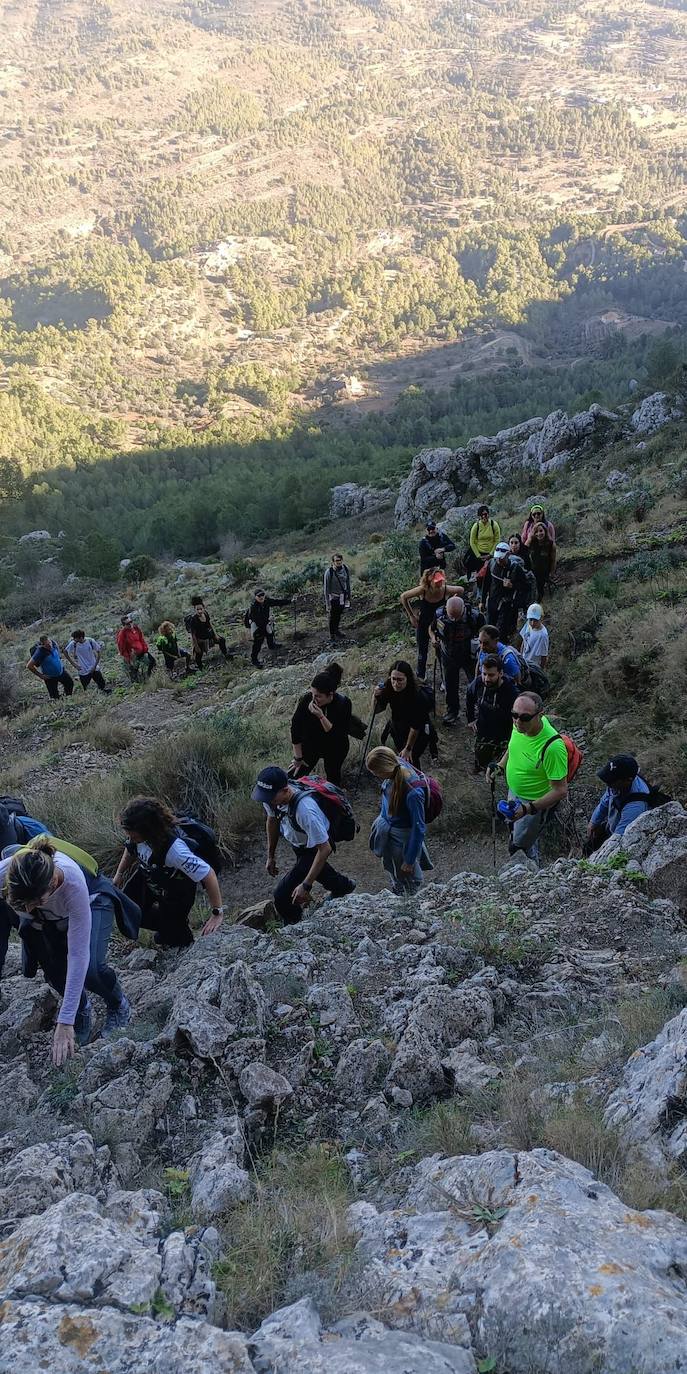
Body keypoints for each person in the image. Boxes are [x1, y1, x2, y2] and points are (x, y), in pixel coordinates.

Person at [0, 837, 132, 1064]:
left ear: (52, 882)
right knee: (54, 971)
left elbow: (78, 954)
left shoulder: (73, 884)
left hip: (92, 901)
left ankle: (118, 1005)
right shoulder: (8, 872)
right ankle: (81, 1008)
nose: (28, 909)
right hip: (50, 915)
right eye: (22, 904)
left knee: (91, 970)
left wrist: (65, 1020)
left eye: (34, 902)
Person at [252, 766, 356, 923]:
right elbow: (272, 819)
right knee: (318, 871)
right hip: (300, 844)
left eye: (271, 797)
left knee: (282, 896)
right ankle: (344, 887)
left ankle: (296, 926)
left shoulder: (305, 810)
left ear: (286, 790)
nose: (267, 801)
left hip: (313, 848)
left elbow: (325, 848)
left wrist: (305, 886)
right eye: (265, 797)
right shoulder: (272, 798)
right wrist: (270, 856)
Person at [489, 692, 568, 863]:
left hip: (534, 804)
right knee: (516, 831)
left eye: (524, 717)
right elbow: (513, 746)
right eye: (514, 715)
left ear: (540, 715)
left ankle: (530, 871)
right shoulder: (520, 726)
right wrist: (500, 766)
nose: (518, 721)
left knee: (519, 846)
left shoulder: (553, 748)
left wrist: (526, 809)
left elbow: (560, 790)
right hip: (515, 793)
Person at [367, 746, 433, 894]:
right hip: (389, 833)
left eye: (376, 772)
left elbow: (419, 828)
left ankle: (408, 903)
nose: (376, 776)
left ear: (385, 768)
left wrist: (409, 860)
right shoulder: (395, 765)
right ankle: (397, 888)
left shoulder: (413, 793)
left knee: (408, 879)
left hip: (401, 840)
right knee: (394, 870)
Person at [290, 663, 359, 786]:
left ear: (330, 695)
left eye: (318, 696)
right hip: (312, 743)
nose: (314, 699)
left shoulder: (343, 704)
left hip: (335, 746)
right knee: (294, 776)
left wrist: (321, 716)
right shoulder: (307, 700)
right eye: (312, 694)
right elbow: (295, 728)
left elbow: (338, 734)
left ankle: (335, 801)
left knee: (333, 779)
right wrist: (298, 758)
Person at [400, 568, 464, 682]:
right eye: (436, 581)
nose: (439, 583)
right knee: (422, 651)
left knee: (441, 652)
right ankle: (421, 677)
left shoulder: (445, 589)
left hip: (440, 624)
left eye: (441, 580)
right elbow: (404, 596)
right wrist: (411, 615)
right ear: (429, 581)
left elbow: (460, 590)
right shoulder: (423, 590)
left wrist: (450, 604)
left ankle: (445, 679)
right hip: (424, 623)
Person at [373, 660, 436, 767]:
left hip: (419, 729)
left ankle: (418, 781)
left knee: (411, 759)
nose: (396, 683)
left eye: (400, 680)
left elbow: (415, 726)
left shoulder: (417, 696)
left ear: (408, 678)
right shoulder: (388, 686)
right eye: (393, 679)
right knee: (404, 758)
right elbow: (376, 710)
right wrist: (375, 695)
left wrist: (408, 748)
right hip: (398, 727)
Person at [435, 595, 484, 726]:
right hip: (448, 654)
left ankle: (480, 710)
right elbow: (432, 628)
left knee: (476, 682)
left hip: (469, 655)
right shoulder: (439, 614)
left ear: (463, 608)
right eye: (452, 616)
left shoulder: (475, 617)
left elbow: (484, 632)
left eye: (457, 616)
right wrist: (434, 639)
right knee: (450, 684)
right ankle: (452, 711)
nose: (455, 619)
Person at [586, 755, 650, 853]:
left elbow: (619, 838)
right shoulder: (616, 784)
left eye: (611, 781)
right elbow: (605, 801)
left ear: (628, 780)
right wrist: (593, 822)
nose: (608, 784)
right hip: (610, 828)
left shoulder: (636, 805)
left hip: (620, 838)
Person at [465, 655, 519, 772]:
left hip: (503, 734)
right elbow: (469, 695)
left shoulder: (510, 692)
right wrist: (470, 719)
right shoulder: (479, 683)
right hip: (483, 729)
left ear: (500, 673)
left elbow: (518, 714)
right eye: (484, 674)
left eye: (491, 675)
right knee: (480, 758)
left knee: (499, 766)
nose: (487, 679)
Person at [481, 543, 532, 640]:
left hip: (507, 605)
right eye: (497, 557)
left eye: (501, 558)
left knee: (502, 633)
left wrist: (512, 585)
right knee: (488, 629)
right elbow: (486, 582)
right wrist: (482, 601)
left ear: (508, 555)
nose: (499, 560)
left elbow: (526, 586)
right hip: (492, 601)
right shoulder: (491, 564)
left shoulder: (515, 568)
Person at [244, 588, 293, 668]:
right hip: (256, 625)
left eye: (262, 595)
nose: (261, 597)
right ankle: (254, 660)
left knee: (269, 632)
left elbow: (277, 602)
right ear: (255, 597)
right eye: (259, 595)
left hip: (265, 622)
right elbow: (257, 621)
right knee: (258, 642)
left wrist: (289, 601)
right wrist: (268, 622)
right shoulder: (253, 607)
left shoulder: (267, 601)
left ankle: (271, 645)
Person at [26, 635, 74, 700]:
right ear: (42, 645)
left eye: (50, 643)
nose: (50, 645)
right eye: (47, 645)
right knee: (54, 697)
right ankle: (59, 704)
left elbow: (58, 655)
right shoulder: (40, 652)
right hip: (50, 677)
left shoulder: (54, 644)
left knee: (70, 683)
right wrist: (41, 676)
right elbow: (29, 666)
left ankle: (67, 698)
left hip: (61, 672)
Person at [187, 597, 229, 669]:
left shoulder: (205, 614)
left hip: (209, 635)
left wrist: (215, 635)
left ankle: (226, 655)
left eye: (201, 609)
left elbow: (210, 624)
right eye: (197, 609)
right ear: (195, 610)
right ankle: (200, 667)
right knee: (199, 653)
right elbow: (193, 635)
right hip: (200, 639)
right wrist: (196, 646)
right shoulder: (193, 620)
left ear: (203, 608)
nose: (199, 611)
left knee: (222, 640)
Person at [116, 614, 156, 681]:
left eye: (131, 621)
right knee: (135, 669)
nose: (130, 624)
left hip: (142, 651)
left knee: (152, 661)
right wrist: (128, 658)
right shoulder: (122, 634)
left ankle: (148, 676)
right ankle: (138, 681)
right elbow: (121, 647)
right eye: (128, 623)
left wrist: (145, 649)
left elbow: (141, 639)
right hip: (132, 655)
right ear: (124, 625)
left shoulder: (136, 628)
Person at [323, 554, 352, 643]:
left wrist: (349, 596)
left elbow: (347, 583)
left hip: (342, 596)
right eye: (336, 560)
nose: (338, 562)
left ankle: (337, 631)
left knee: (339, 614)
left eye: (340, 560)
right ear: (333, 562)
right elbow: (326, 589)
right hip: (333, 597)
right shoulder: (329, 572)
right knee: (333, 616)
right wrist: (327, 603)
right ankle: (332, 635)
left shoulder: (345, 569)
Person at [466, 506, 501, 576]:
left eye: (485, 514)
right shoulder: (476, 526)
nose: (484, 516)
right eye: (481, 515)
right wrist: (478, 556)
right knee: (480, 574)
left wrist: (491, 554)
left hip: (491, 554)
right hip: (479, 554)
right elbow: (472, 542)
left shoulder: (494, 525)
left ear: (488, 514)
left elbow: (497, 540)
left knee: (491, 573)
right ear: (479, 516)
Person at [528, 523, 557, 599]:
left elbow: (553, 560)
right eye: (536, 532)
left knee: (540, 593)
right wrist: (530, 537)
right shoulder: (532, 542)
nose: (539, 534)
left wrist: (552, 573)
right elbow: (524, 549)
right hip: (533, 572)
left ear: (545, 531)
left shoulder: (551, 544)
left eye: (541, 531)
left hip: (544, 573)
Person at [518, 604, 549, 669]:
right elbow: (524, 641)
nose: (532, 623)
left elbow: (544, 656)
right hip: (523, 662)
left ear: (541, 618)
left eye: (535, 620)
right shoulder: (528, 625)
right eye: (531, 619)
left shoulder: (543, 635)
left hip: (532, 666)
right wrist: (520, 657)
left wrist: (540, 670)